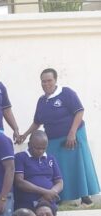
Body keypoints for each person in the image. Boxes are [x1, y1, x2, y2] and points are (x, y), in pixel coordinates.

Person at [18, 68, 99, 204]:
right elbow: (37, 122)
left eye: (49, 80)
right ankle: (60, 197)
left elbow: (79, 112)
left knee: (77, 165)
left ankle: (84, 196)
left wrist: (72, 133)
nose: (46, 84)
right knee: (58, 169)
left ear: (55, 80)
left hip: (72, 135)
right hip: (53, 139)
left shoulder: (66, 93)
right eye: (43, 81)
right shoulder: (42, 101)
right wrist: (25, 135)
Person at [13, 130, 63, 211]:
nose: (41, 151)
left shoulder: (51, 158)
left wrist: (52, 192)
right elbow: (19, 182)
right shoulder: (20, 157)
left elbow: (60, 182)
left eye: (44, 148)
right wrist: (45, 192)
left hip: (48, 202)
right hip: (27, 204)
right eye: (37, 148)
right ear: (29, 144)